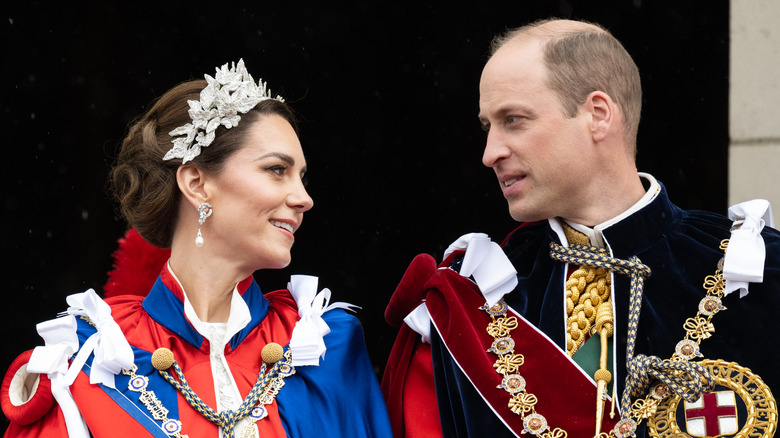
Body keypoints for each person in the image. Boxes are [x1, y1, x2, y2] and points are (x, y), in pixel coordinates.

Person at [381, 18, 780, 438]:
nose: (490, 152)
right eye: (488, 126)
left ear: (597, 115)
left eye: (513, 119)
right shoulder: (464, 300)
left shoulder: (761, 273)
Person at [1, 59, 392, 437]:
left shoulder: (324, 346)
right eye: (277, 170)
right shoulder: (90, 362)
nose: (303, 198)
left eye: (302, 177)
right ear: (196, 183)